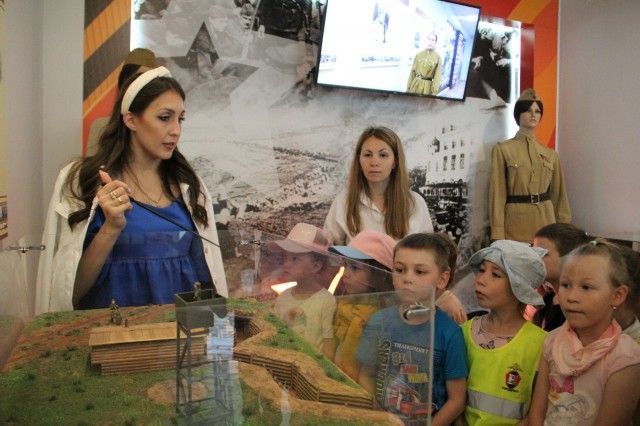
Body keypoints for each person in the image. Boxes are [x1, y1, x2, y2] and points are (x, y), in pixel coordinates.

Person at [35, 66, 226, 314]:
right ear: (131, 120)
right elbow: (67, 292)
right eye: (164, 117)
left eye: (180, 119)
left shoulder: (190, 185)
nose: (176, 130)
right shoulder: (84, 181)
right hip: (111, 329)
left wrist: (217, 334)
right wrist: (111, 227)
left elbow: (208, 274)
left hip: (177, 328)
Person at [357, 233, 468, 425]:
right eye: (400, 269)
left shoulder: (450, 334)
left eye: (420, 272)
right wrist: (378, 418)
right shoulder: (379, 321)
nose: (407, 278)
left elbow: (456, 400)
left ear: (442, 279)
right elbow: (366, 375)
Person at [527, 240, 640, 426]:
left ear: (617, 295)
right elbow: (537, 414)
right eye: (565, 285)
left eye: (586, 287)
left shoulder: (625, 357)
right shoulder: (552, 340)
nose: (572, 297)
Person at [459, 240, 547, 425]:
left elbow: (538, 410)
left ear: (519, 288)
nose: (480, 280)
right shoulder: (464, 331)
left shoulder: (541, 343)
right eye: (482, 270)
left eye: (496, 274)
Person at [323, 126, 434, 245]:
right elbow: (328, 250)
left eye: (383, 155)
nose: (374, 162)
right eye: (367, 155)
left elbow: (429, 250)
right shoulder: (342, 202)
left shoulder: (416, 203)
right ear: (359, 160)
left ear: (395, 162)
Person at [489, 89, 572, 243]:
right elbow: (498, 194)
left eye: (537, 111)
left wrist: (563, 228)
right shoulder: (503, 149)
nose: (533, 115)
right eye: (528, 110)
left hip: (546, 221)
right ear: (518, 114)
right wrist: (498, 233)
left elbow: (559, 195)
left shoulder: (550, 154)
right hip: (516, 224)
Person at [328, 230, 396, 380]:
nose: (345, 273)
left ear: (379, 274)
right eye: (345, 265)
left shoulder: (383, 317)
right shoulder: (345, 304)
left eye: (355, 267)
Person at [272, 223, 337, 360]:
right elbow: (274, 334)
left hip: (311, 367)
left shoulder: (326, 301)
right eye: (285, 257)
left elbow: (329, 347)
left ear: (316, 266)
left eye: (295, 259)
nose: (286, 264)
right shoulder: (283, 297)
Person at [86, 48, 158, 156]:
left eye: (150, 80)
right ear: (125, 82)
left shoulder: (161, 128)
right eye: (138, 79)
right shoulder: (101, 127)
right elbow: (91, 165)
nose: (144, 86)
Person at [530, 223, 590, 331]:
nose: (534, 260)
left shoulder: (580, 307)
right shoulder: (548, 301)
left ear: (570, 258)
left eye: (543, 254)